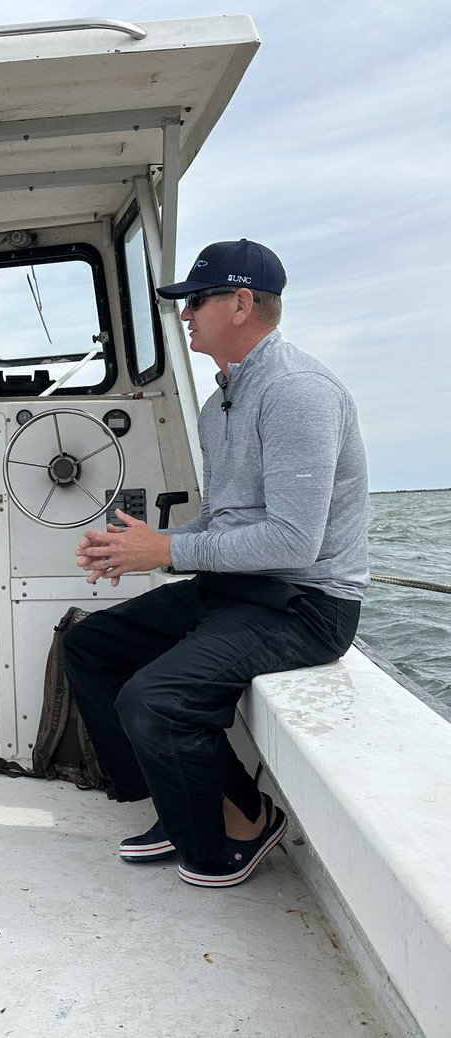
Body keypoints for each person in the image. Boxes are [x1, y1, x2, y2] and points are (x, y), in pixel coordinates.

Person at [63, 239, 368, 888]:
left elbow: (293, 543)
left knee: (155, 699)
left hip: (304, 606)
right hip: (236, 591)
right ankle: (175, 807)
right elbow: (225, 524)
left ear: (241, 303)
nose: (185, 315)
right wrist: (140, 551)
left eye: (195, 302)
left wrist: (167, 550)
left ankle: (241, 828)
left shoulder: (297, 392)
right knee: (90, 648)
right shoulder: (219, 402)